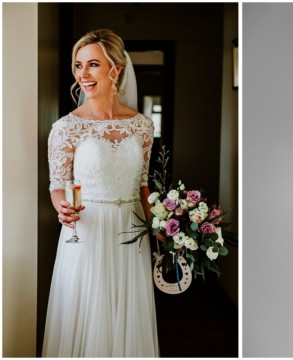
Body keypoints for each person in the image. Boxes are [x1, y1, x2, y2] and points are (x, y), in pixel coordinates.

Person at [43, 29, 159, 357]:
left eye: (93, 64)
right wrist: (62, 207)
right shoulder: (67, 127)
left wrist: (162, 225)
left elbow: (142, 184)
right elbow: (57, 185)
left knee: (127, 317)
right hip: (87, 231)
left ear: (116, 69)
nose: (83, 74)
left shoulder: (142, 126)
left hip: (132, 233)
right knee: (87, 314)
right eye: (78, 65)